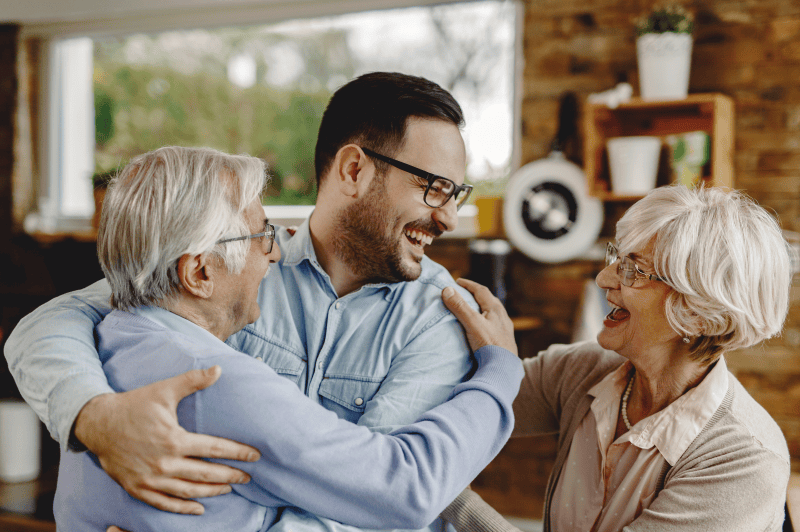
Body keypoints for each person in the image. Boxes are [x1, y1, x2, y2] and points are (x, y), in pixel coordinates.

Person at [5, 72, 476, 531]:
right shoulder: (235, 265)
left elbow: (382, 495)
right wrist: (96, 417)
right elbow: (55, 321)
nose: (450, 218)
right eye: (433, 188)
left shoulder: (441, 316)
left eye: (456, 194)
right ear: (354, 170)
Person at [54, 145, 522, 531]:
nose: (277, 251)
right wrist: (501, 371)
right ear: (198, 272)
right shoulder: (214, 381)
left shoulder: (109, 336)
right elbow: (406, 488)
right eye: (261, 236)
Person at [439, 185, 793, 532]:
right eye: (616, 259)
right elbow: (451, 402)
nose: (603, 278)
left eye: (634, 270)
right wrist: (492, 363)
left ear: (699, 311)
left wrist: (441, 491)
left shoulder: (744, 462)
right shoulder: (583, 370)